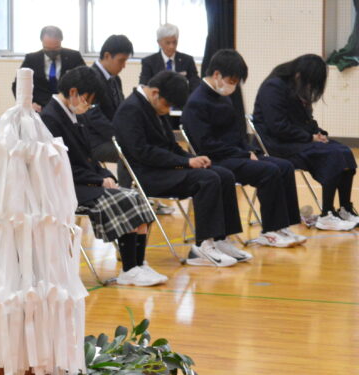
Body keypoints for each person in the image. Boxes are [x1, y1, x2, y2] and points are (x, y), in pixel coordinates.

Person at [41, 67, 163, 285]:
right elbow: (60, 165)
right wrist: (97, 180)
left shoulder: (74, 114)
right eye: (87, 100)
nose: (88, 106)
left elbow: (89, 157)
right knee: (124, 200)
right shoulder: (50, 118)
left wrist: (107, 176)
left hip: (83, 181)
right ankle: (129, 269)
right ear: (73, 92)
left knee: (137, 198)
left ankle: (138, 263)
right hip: (66, 186)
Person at [115, 71, 248, 267]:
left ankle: (221, 239)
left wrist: (192, 158)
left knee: (224, 174)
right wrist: (184, 163)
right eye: (168, 104)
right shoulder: (131, 109)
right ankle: (202, 246)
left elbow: (172, 146)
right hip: (145, 174)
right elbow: (143, 153)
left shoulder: (155, 106)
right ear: (155, 93)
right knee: (208, 179)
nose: (168, 109)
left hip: (165, 169)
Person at [181, 49, 306, 248]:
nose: (233, 86)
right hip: (217, 159)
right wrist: (243, 154)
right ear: (216, 75)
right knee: (269, 171)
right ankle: (270, 231)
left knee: (285, 166)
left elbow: (236, 134)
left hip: (235, 154)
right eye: (231, 80)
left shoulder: (222, 96)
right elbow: (206, 145)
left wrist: (250, 150)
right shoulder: (197, 102)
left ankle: (283, 225)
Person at [253, 53, 358, 229]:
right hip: (276, 145)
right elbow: (278, 127)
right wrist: (309, 137)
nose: (310, 87)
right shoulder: (273, 87)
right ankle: (327, 213)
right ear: (299, 74)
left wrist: (318, 133)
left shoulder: (297, 87)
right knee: (332, 155)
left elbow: (306, 121)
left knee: (344, 151)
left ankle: (345, 208)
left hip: (296, 140)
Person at [84, 34, 133, 164]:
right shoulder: (90, 77)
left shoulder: (115, 79)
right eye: (121, 61)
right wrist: (121, 136)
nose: (124, 66)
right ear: (107, 56)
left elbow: (121, 110)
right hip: (96, 141)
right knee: (135, 151)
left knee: (144, 144)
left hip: (111, 137)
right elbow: (94, 116)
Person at [17, 26, 86, 111]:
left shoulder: (74, 57)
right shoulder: (31, 59)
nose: (52, 52)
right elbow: (18, 85)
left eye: (56, 48)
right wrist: (28, 104)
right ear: (42, 42)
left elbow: (86, 81)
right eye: (47, 49)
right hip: (39, 108)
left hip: (69, 107)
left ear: (61, 41)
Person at [139, 24, 201, 92]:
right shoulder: (149, 62)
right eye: (168, 43)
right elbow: (144, 86)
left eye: (174, 42)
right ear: (159, 42)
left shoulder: (187, 60)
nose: (172, 46)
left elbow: (195, 84)